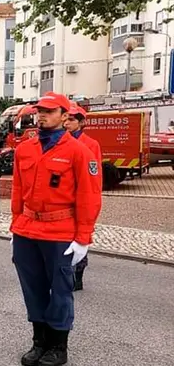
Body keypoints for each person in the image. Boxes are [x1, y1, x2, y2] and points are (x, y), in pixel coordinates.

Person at [11, 92, 101, 366]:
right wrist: (15, 224)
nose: (42, 115)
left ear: (65, 115)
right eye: (40, 110)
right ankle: (39, 341)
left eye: (49, 111)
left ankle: (58, 346)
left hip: (60, 230)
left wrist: (83, 238)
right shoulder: (25, 149)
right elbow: (17, 190)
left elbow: (89, 196)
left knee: (60, 289)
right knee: (33, 287)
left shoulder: (79, 152)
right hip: (28, 228)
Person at [64, 104, 103, 292]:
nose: (67, 123)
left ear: (81, 122)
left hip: (81, 198)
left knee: (81, 236)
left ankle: (78, 276)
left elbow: (93, 176)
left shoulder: (91, 144)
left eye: (71, 120)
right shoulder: (60, 141)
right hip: (64, 198)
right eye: (66, 119)